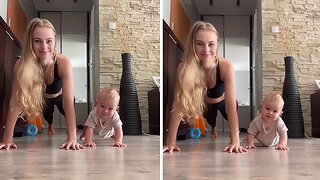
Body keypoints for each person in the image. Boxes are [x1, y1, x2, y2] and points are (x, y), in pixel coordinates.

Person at [0, 18, 84, 150]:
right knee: (47, 116)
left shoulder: (63, 62)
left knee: (67, 111)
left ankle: (73, 133)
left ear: (55, 40)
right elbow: (15, 102)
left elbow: (68, 102)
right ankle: (50, 125)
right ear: (30, 42)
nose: (44, 47)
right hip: (45, 98)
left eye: (49, 41)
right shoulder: (21, 64)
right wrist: (7, 139)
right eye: (37, 41)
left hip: (61, 96)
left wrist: (72, 138)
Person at [163, 21, 246, 153]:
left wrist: (235, 141)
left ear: (217, 44)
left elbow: (230, 106)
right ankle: (213, 128)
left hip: (223, 101)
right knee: (211, 120)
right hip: (205, 104)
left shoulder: (225, 66)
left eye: (211, 44)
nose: (206, 50)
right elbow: (178, 105)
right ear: (193, 45)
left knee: (232, 110)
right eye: (200, 44)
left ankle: (233, 135)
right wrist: (170, 142)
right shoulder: (184, 68)